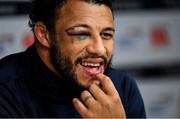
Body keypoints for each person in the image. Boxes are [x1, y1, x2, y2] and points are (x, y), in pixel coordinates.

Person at [0, 0, 146, 118]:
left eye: (106, 35)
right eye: (81, 34)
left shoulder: (123, 87)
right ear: (44, 34)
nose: (100, 48)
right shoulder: (5, 88)